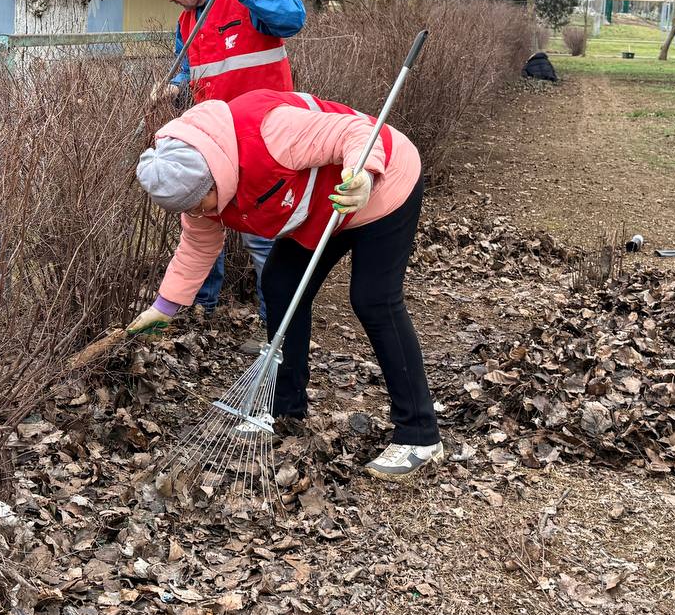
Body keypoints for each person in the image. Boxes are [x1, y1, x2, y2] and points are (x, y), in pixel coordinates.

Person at [130, 89, 444, 480]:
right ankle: (285, 406)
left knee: (373, 299)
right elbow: (197, 244)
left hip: (381, 188)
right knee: (280, 283)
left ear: (213, 176)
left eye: (201, 202)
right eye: (188, 208)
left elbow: (355, 130)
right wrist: (165, 305)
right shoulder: (193, 183)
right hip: (322, 210)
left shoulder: (271, 132)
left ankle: (419, 434)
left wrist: (363, 175)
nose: (198, 212)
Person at [148, 0, 306, 329]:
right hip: (215, 142)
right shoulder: (186, 22)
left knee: (263, 239)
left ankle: (279, 332)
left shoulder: (242, 0)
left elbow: (293, 17)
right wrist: (176, 83)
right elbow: (190, 67)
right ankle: (202, 308)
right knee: (202, 217)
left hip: (265, 141)